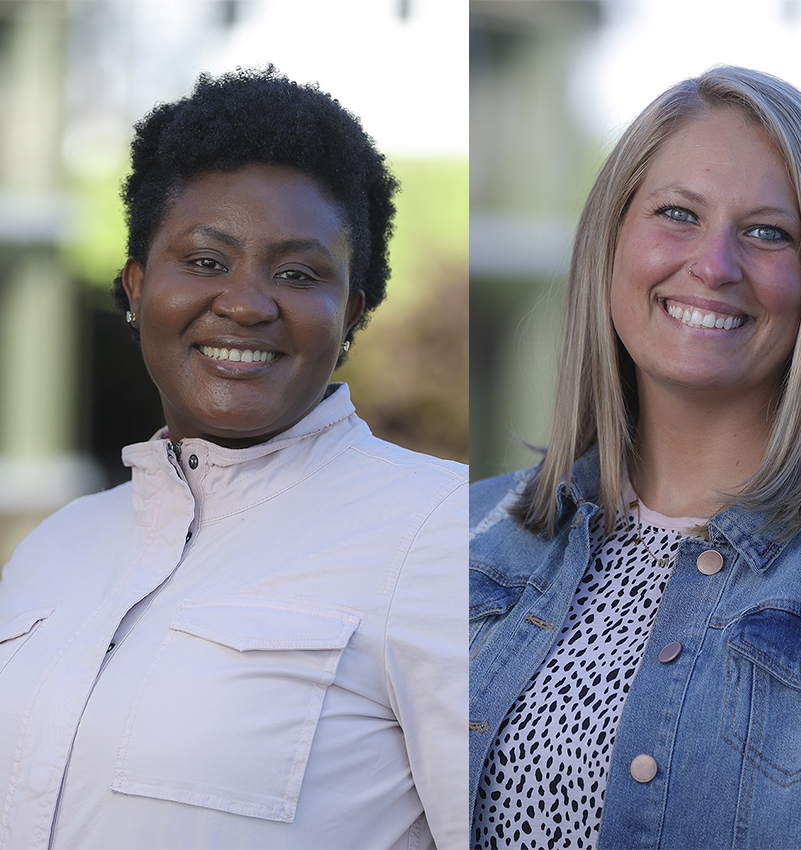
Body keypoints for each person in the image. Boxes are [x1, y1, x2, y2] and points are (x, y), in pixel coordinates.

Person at [469, 66, 801, 850]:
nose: (714, 265)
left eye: (768, 232)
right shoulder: (471, 531)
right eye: (677, 214)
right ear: (611, 240)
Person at [0, 68, 466, 848]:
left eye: (296, 273)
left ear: (350, 312)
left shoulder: (445, 535)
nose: (248, 304)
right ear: (138, 287)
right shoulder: (55, 550)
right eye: (207, 262)